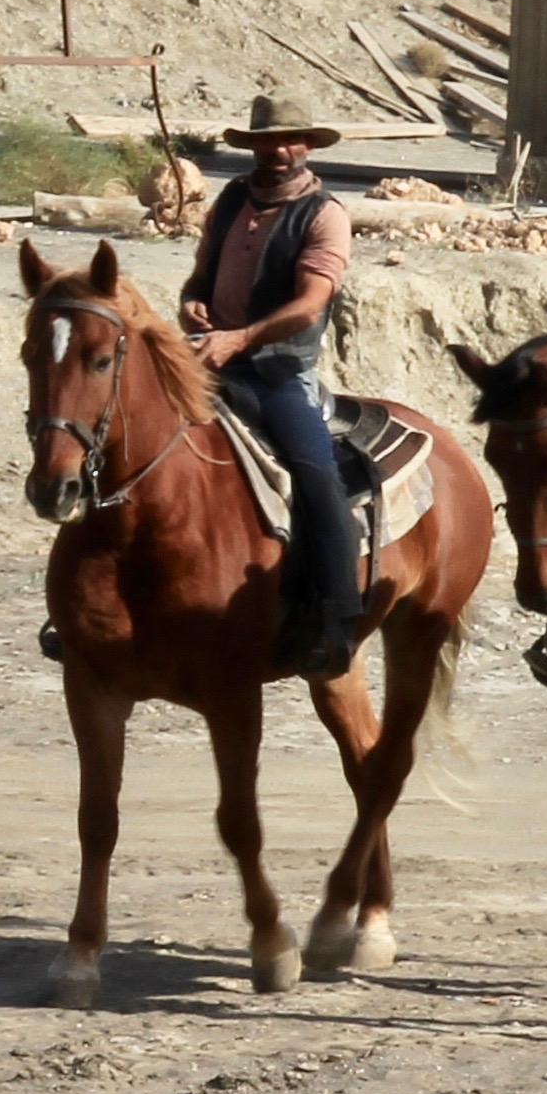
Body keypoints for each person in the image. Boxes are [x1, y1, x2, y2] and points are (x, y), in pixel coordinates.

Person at [181, 93, 363, 680]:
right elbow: (200, 275)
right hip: (214, 358)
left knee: (315, 472)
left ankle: (337, 621)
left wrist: (240, 339)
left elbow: (310, 305)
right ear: (252, 145)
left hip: (281, 371)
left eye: (290, 139)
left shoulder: (324, 214)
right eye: (268, 140)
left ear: (308, 144)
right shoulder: (232, 197)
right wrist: (193, 303)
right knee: (130, 432)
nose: (279, 150)